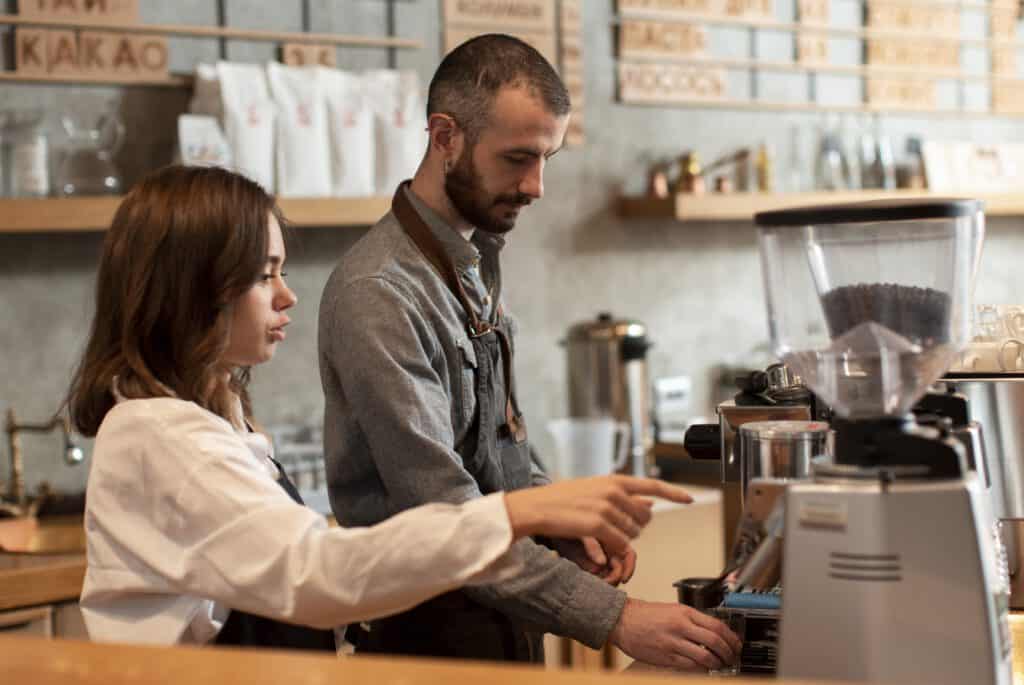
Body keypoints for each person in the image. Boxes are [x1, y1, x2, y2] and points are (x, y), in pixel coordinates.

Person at [68, 164, 694, 651]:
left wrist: (534, 516)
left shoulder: (211, 419)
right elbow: (318, 574)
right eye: (265, 275)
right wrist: (516, 512)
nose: (288, 297)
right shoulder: (159, 436)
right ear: (193, 291)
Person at [318, 34, 741, 670]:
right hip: (423, 645)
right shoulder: (378, 294)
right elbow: (447, 521)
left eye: (547, 158)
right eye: (518, 158)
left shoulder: (475, 261)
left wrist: (557, 525)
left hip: (502, 626)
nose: (537, 186)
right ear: (445, 137)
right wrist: (617, 617)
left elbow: (500, 449)